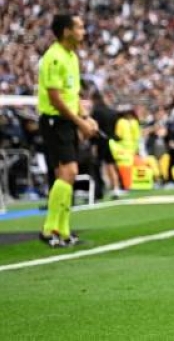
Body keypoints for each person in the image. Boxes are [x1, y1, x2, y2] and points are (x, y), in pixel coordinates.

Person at [38, 13, 98, 247]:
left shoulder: (72, 56)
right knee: (69, 172)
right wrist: (80, 122)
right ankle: (49, 229)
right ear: (66, 31)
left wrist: (86, 117)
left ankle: (62, 231)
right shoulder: (54, 57)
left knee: (65, 176)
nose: (84, 32)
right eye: (79, 27)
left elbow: (73, 95)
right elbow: (55, 99)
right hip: (55, 121)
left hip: (67, 121)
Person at [89, 89, 123, 199]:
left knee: (96, 166)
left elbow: (94, 129)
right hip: (111, 141)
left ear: (94, 99)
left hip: (100, 141)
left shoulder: (96, 112)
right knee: (111, 165)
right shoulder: (112, 112)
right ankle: (116, 188)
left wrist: (93, 144)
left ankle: (98, 190)